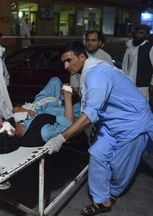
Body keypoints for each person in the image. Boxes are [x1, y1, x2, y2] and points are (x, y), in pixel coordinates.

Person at [44, 41, 153, 216]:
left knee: (120, 166)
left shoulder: (97, 73)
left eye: (69, 60)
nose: (65, 66)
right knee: (97, 154)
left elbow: (90, 112)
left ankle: (114, 193)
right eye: (63, 62)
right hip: (110, 125)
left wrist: (61, 138)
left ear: (82, 57)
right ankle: (102, 200)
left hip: (132, 124)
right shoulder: (88, 72)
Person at [0, 77, 81, 154]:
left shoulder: (12, 126)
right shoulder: (42, 133)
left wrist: (22, 110)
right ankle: (69, 100)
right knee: (78, 106)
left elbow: (15, 109)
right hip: (52, 112)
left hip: (39, 104)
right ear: (12, 133)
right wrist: (67, 96)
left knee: (55, 81)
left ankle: (62, 99)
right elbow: (68, 125)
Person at [122, 24, 153, 102]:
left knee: (142, 107)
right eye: (137, 33)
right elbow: (125, 64)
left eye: (141, 33)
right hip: (128, 84)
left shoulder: (150, 48)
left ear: (147, 35)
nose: (138, 35)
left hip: (143, 86)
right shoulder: (130, 47)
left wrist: (152, 84)